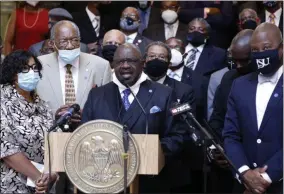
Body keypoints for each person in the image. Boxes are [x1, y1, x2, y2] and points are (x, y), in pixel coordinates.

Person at [82, 43, 185, 193]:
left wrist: (153, 151)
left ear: (142, 63)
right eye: (120, 62)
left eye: (131, 61)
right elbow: (85, 134)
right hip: (106, 181)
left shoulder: (164, 93)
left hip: (149, 182)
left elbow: (177, 135)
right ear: (113, 65)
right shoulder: (97, 95)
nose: (125, 65)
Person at [223, 23, 283, 193]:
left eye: (266, 48)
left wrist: (264, 178)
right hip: (244, 185)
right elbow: (230, 134)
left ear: (281, 49)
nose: (261, 54)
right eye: (255, 51)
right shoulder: (239, 85)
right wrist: (244, 173)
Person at [0, 50, 57, 193]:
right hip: (12, 185)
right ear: (13, 73)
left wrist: (52, 173)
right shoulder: (3, 101)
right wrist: (38, 177)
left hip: (43, 185)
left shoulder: (43, 105)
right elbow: (7, 149)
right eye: (25, 69)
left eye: (34, 68)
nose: (31, 73)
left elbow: (55, 140)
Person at [144, 41, 196, 193]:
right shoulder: (132, 87)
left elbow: (185, 128)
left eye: (161, 57)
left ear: (169, 62)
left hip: (170, 165)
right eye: (152, 56)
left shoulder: (183, 91)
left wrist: (158, 150)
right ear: (144, 60)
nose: (156, 60)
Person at [207, 29, 254, 193]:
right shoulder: (228, 78)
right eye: (235, 61)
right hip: (231, 164)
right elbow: (217, 119)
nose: (238, 66)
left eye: (244, 61)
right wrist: (218, 149)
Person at [36, 20, 112, 114]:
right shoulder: (38, 66)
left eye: (74, 40)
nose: (70, 46)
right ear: (52, 43)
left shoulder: (101, 66)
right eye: (63, 41)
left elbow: (109, 107)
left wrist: (86, 116)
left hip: (88, 127)